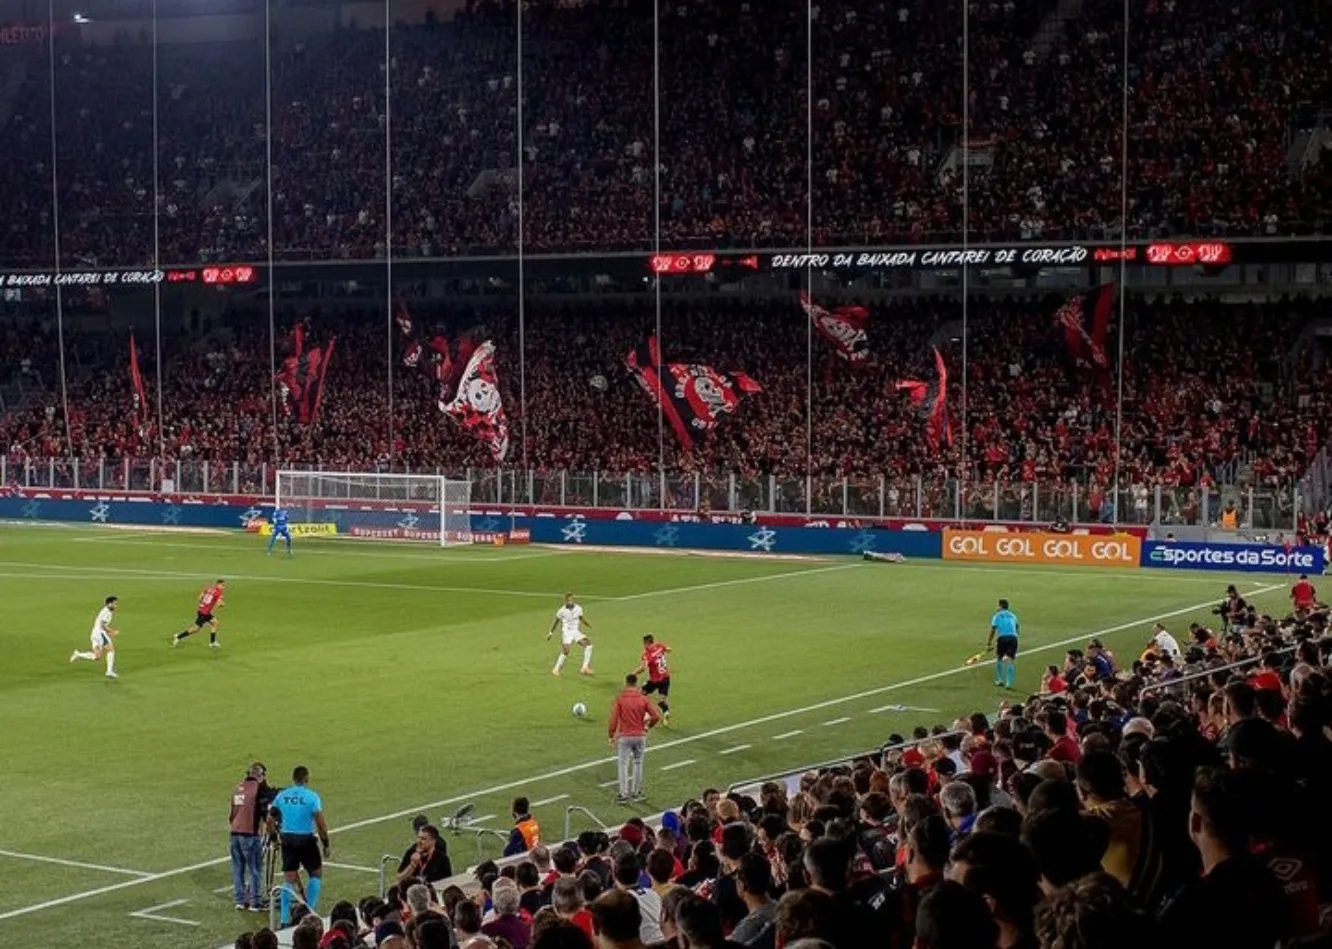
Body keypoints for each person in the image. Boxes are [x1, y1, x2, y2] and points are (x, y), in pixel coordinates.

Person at [268, 765, 330, 927]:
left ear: (293, 779)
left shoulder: (282, 796)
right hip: (306, 839)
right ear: (307, 778)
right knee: (316, 875)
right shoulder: (312, 797)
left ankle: (284, 919)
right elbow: (320, 824)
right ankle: (309, 913)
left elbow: (269, 820)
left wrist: (274, 839)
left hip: (287, 839)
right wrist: (326, 844)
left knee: (288, 879)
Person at [609, 674, 661, 805]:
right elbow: (655, 716)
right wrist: (647, 726)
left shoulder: (620, 699)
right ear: (636, 683)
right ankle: (637, 793)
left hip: (625, 736)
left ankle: (623, 794)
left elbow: (613, 720)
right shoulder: (643, 699)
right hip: (640, 736)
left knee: (623, 765)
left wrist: (611, 735)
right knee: (638, 763)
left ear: (626, 683)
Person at [229, 762, 272, 912]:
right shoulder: (259, 789)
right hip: (250, 834)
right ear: (261, 776)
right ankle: (255, 902)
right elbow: (266, 811)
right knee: (255, 869)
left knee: (238, 868)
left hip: (235, 832)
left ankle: (240, 901)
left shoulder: (237, 788)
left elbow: (232, 813)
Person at [70, 594, 119, 679]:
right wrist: (112, 631)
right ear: (109, 604)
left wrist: (108, 633)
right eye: (114, 604)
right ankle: (109, 671)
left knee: (97, 657)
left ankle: (78, 654)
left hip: (94, 634)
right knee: (111, 650)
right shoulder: (107, 612)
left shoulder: (105, 611)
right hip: (99, 633)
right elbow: (103, 625)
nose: (116, 606)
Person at [549, 592, 594, 676]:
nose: (570, 601)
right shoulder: (561, 611)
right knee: (566, 651)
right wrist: (551, 633)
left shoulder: (579, 608)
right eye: (568, 600)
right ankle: (555, 669)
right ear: (565, 601)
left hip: (575, 631)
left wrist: (586, 623)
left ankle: (584, 667)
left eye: (572, 600)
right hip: (567, 632)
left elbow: (580, 617)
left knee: (588, 645)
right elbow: (556, 621)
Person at [172, 578, 226, 649]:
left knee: (215, 623)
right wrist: (222, 604)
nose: (224, 587)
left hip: (202, 610)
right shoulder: (219, 592)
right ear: (218, 585)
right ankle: (178, 637)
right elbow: (219, 604)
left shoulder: (209, 589)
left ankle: (212, 643)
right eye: (222, 585)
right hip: (204, 613)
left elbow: (200, 597)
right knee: (195, 629)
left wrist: (203, 604)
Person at [632, 635, 672, 725]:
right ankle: (666, 713)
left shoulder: (647, 654)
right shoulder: (659, 646)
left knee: (641, 694)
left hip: (654, 680)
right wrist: (664, 651)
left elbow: (643, 668)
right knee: (661, 701)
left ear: (646, 643)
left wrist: (633, 673)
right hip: (665, 678)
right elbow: (669, 649)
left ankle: (647, 715)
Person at [986, 599, 1019, 690]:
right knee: (1010, 660)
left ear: (1000, 606)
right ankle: (1008, 683)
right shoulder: (1013, 615)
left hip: (1002, 638)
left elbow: (993, 630)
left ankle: (1000, 680)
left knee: (999, 658)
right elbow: (1016, 628)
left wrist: (989, 643)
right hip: (1013, 638)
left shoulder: (997, 616)